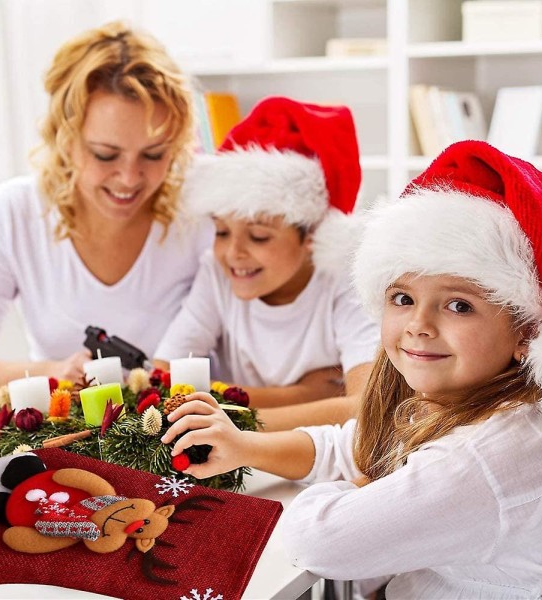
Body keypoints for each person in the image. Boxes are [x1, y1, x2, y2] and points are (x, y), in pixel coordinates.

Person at [161, 140, 542, 597]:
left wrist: (364, 485)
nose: (419, 326)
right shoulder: (469, 403)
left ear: (527, 333)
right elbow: (349, 445)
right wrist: (245, 446)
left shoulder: (479, 461)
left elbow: (319, 541)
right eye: (402, 298)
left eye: (459, 305)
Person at [0, 21, 213, 411]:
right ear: (65, 138)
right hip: (69, 446)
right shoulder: (14, 213)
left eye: (154, 155)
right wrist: (55, 374)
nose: (129, 178)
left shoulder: (201, 213)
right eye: (105, 155)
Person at [153, 96, 379, 424]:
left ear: (313, 233)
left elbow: (365, 409)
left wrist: (218, 411)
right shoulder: (217, 273)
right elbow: (164, 385)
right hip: (240, 458)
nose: (233, 253)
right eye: (221, 231)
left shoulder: (346, 281)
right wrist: (305, 396)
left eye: (258, 236)